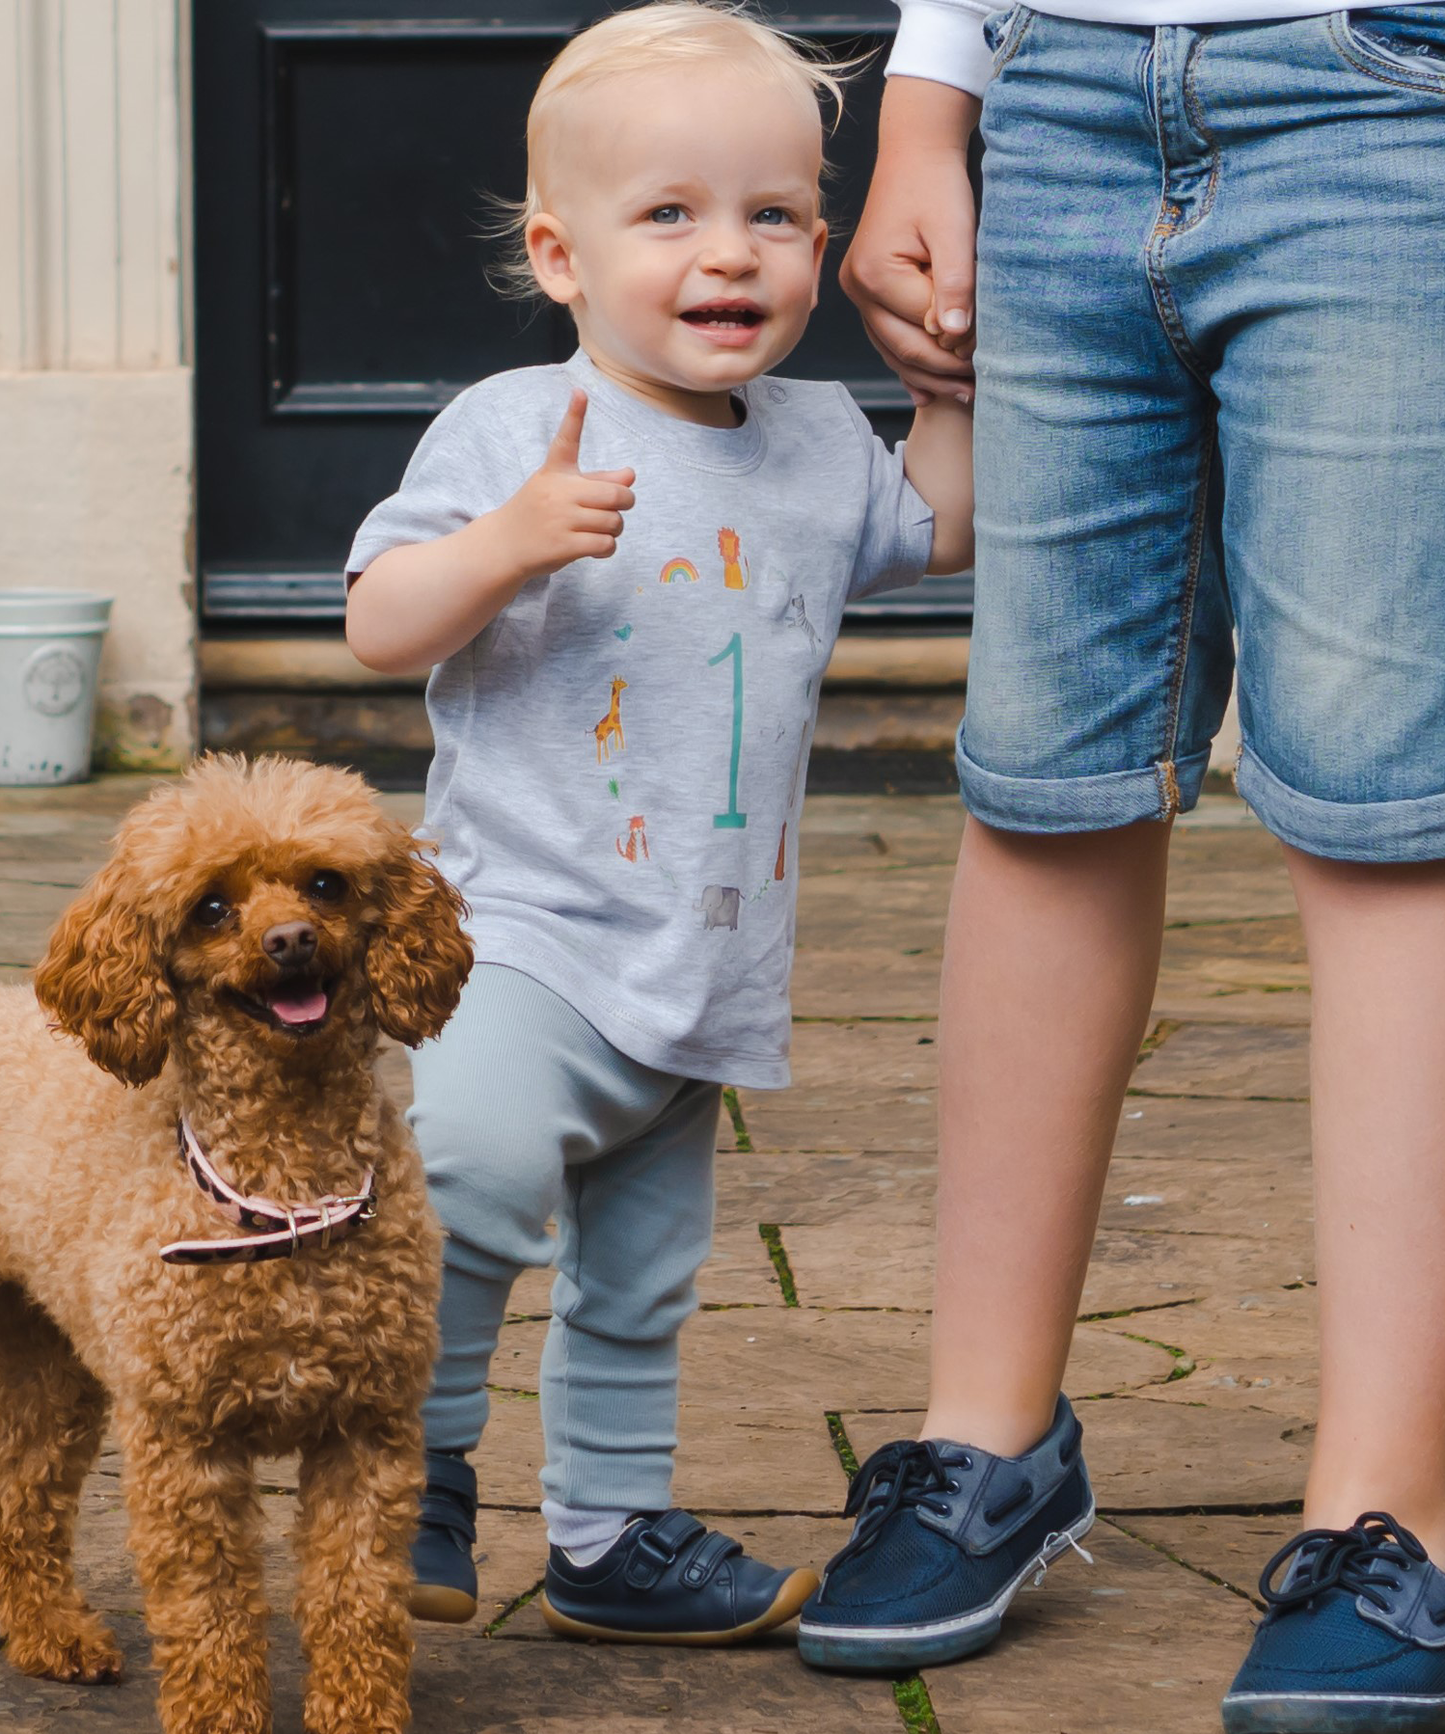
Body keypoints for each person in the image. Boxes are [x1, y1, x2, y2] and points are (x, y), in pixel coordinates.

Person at [794, 0, 1445, 1727]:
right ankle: (984, 1444)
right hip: (1062, 96)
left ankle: (1393, 1519)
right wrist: (930, 105)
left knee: (1392, 819)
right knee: (1046, 784)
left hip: (1392, 105)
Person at [344, 1, 974, 1646]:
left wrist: (939, 375)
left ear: (821, 241)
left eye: (773, 215)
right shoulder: (513, 426)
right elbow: (380, 622)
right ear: (562, 254)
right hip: (524, 924)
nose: (731, 253)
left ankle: (610, 1537)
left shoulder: (821, 442)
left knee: (643, 1269)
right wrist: (506, 545)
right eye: (671, 214)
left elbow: (942, 526)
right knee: (469, 1171)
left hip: (704, 946)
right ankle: (413, 1463)